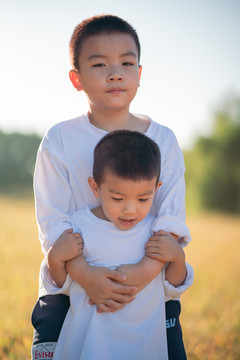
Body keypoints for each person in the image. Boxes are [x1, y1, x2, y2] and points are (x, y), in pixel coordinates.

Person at [31, 14, 193, 360]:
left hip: (147, 295)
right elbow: (53, 221)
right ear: (76, 79)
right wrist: (86, 274)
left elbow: (170, 220)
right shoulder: (60, 139)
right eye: (99, 63)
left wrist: (141, 273)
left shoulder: (163, 139)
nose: (115, 73)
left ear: (139, 73)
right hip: (72, 290)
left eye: (126, 62)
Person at [47, 130, 189, 359]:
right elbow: (62, 284)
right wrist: (55, 259)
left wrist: (177, 258)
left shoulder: (156, 234)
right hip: (89, 344)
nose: (130, 210)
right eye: (118, 198)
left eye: (143, 199)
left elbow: (172, 287)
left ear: (157, 188)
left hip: (143, 346)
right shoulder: (79, 225)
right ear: (95, 187)